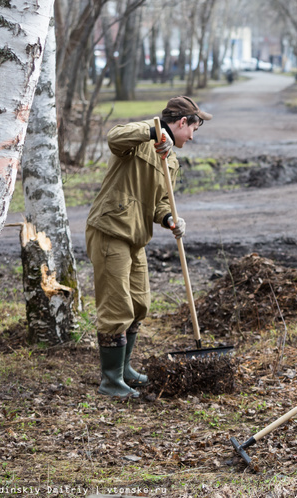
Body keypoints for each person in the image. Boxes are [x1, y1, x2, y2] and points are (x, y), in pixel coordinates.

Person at [86, 96, 212, 397]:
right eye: (193, 129)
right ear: (182, 122)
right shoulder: (140, 138)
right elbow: (114, 137)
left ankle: (125, 369)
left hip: (136, 237)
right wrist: (155, 133)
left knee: (140, 304)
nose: (192, 137)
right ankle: (110, 380)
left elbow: (161, 203)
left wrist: (170, 218)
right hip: (110, 231)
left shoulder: (171, 160)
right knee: (117, 308)